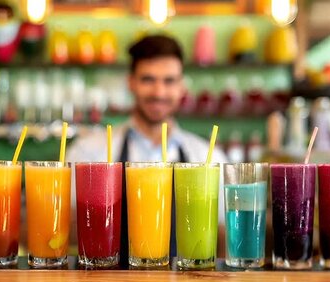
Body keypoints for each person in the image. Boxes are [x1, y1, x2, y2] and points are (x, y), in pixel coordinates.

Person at [66, 35, 227, 266]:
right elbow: (69, 230)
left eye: (169, 81)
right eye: (148, 79)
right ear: (131, 82)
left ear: (182, 86)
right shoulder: (88, 153)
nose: (159, 92)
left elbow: (220, 238)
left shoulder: (207, 157)